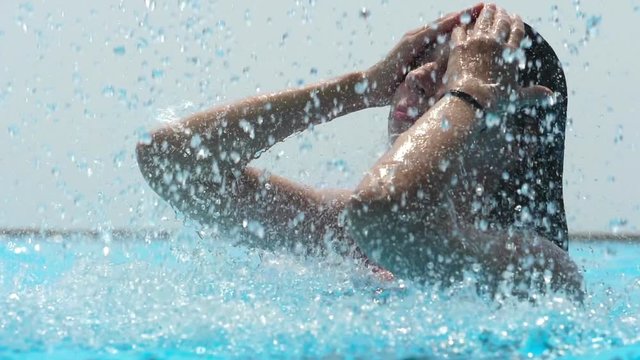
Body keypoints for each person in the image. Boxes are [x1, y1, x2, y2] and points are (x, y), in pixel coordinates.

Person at [136, 4, 584, 300]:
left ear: (519, 141)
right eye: (417, 69)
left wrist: (468, 93)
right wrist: (360, 88)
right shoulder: (349, 232)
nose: (419, 83)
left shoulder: (538, 271)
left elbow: (389, 218)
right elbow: (171, 161)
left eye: (448, 80)